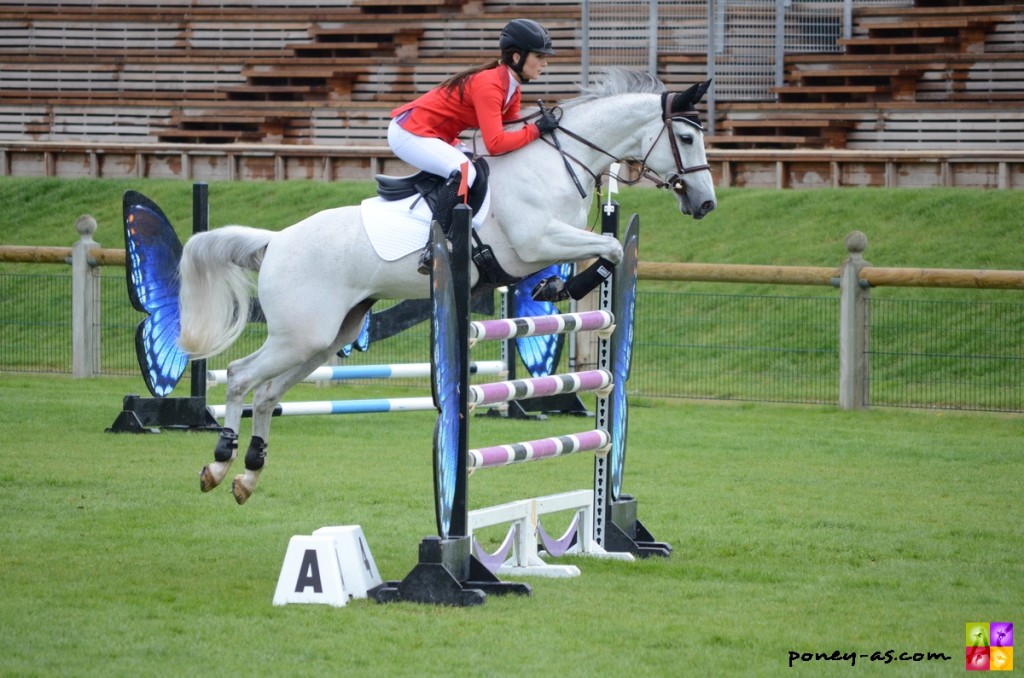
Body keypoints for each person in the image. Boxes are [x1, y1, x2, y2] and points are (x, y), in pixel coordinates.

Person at [387, 18, 560, 273]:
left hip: (438, 135)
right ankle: (434, 248)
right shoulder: (490, 85)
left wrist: (538, 127)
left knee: (479, 166)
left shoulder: (512, 87)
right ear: (516, 57)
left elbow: (511, 130)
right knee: (463, 170)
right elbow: (496, 143)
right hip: (409, 131)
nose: (545, 62)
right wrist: (536, 129)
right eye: (539, 55)